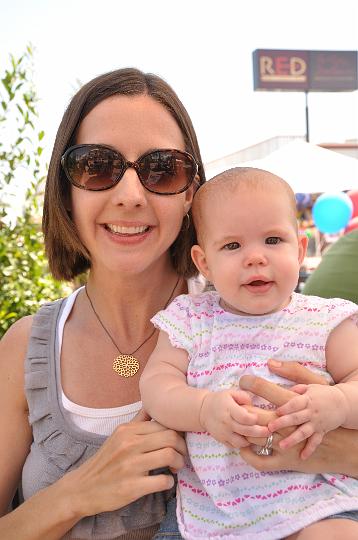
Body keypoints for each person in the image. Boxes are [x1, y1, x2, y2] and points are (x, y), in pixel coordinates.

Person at [0, 69, 357, 540]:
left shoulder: (280, 318)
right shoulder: (28, 346)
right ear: (65, 187)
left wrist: (338, 450)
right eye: (96, 166)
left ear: (191, 191)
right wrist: (75, 495)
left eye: (162, 170)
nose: (130, 196)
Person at [140, 168, 358, 539]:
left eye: (273, 240)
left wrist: (338, 401)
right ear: (204, 262)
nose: (255, 258)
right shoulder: (191, 319)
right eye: (232, 246)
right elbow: (156, 385)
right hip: (214, 509)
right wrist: (204, 410)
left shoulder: (325, 319)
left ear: (300, 249)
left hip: (317, 503)